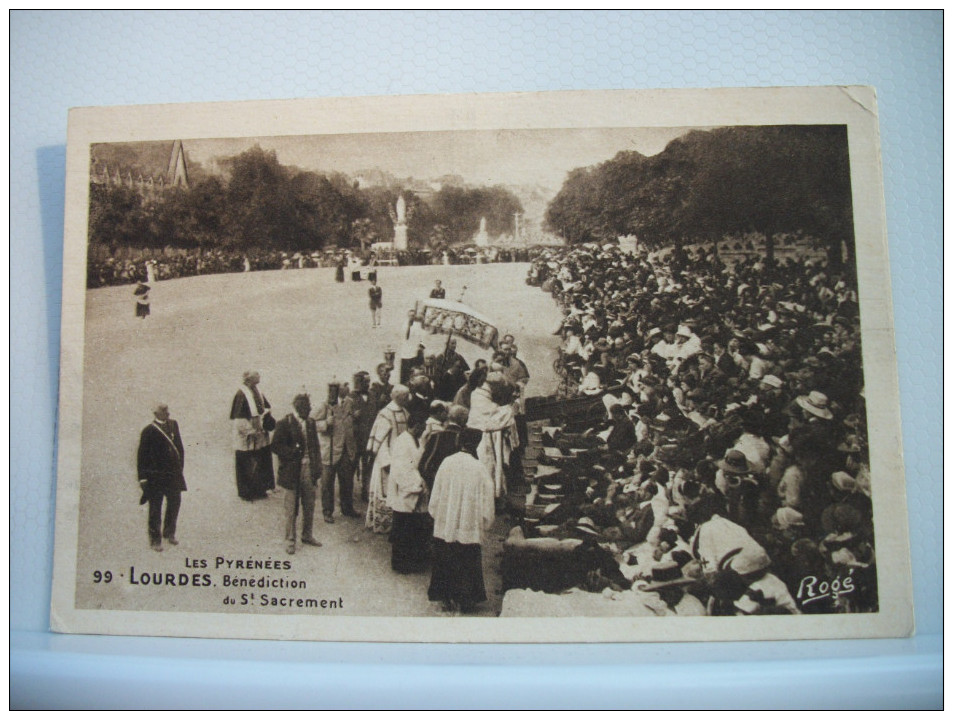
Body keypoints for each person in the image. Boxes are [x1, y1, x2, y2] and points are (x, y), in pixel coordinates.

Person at [428, 427, 496, 613]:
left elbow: (436, 494)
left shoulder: (447, 462)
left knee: (445, 556)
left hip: (446, 524)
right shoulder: (480, 469)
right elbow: (487, 504)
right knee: (466, 560)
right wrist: (485, 523)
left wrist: (439, 515)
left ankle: (445, 596)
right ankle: (465, 598)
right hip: (469, 526)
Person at [271, 394, 323, 554]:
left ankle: (307, 535)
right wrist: (293, 452)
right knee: (291, 507)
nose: (310, 410)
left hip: (309, 469)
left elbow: (315, 446)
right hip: (291, 471)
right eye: (307, 408)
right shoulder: (284, 423)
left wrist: (317, 469)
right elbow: (275, 446)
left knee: (309, 504)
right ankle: (290, 540)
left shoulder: (311, 423)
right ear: (298, 408)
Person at [137, 403, 186, 552]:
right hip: (156, 477)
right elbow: (142, 456)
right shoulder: (148, 431)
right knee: (155, 508)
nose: (168, 414)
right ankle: (155, 540)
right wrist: (143, 478)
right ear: (156, 413)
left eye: (167, 410)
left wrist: (179, 468)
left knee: (174, 503)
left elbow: (179, 448)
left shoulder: (173, 425)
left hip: (173, 475)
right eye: (164, 411)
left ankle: (169, 533)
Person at [387, 413, 432, 573]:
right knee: (403, 529)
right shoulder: (402, 442)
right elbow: (403, 468)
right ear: (416, 425)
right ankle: (401, 564)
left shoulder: (413, 440)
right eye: (423, 426)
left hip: (413, 488)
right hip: (405, 489)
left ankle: (412, 562)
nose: (424, 429)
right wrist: (416, 484)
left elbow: (415, 460)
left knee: (411, 529)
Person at [365, 384, 411, 534]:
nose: (408, 398)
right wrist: (386, 461)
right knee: (386, 490)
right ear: (398, 397)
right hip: (388, 460)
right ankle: (383, 524)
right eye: (405, 396)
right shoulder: (386, 414)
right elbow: (381, 440)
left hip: (401, 459)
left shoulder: (405, 412)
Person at [229, 371, 276, 501]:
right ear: (249, 379)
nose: (259, 377)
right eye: (257, 375)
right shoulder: (241, 394)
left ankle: (260, 489)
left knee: (261, 461)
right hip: (247, 435)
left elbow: (266, 407)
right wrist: (252, 430)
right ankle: (246, 492)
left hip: (259, 434)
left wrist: (265, 419)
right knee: (246, 463)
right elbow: (239, 419)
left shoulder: (258, 391)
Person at [314, 382, 356, 523]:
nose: (335, 392)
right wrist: (325, 423)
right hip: (330, 449)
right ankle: (327, 511)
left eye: (338, 389)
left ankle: (347, 508)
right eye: (333, 390)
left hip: (346, 448)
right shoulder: (324, 405)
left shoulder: (350, 403)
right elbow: (311, 423)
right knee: (327, 482)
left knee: (347, 480)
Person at [344, 371, 375, 509]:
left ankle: (366, 491)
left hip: (369, 437)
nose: (367, 384)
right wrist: (353, 416)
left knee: (368, 467)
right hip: (356, 439)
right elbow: (344, 417)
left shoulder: (373, 396)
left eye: (368, 382)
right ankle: (347, 496)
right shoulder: (350, 397)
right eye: (364, 382)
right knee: (352, 467)